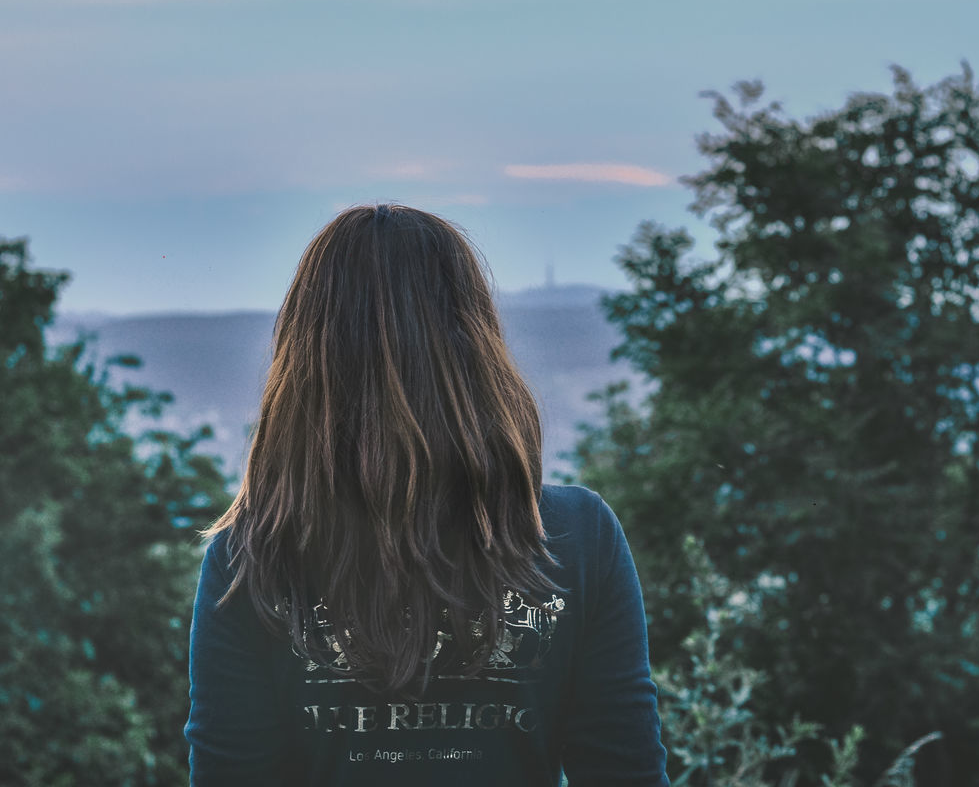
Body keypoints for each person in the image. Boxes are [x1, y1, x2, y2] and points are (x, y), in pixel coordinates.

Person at [184, 204, 669, 786]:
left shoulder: (248, 558)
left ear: (305, 356)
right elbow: (624, 771)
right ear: (475, 342)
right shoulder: (575, 534)